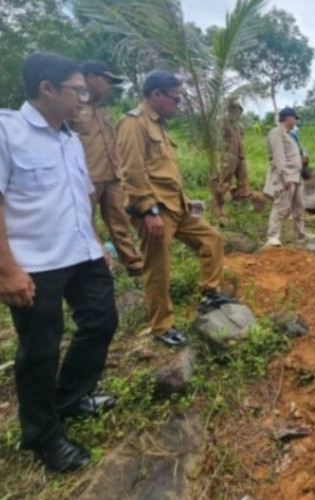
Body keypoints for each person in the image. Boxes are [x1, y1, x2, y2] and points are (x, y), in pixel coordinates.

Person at [0, 52, 118, 473]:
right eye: (78, 90)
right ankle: (43, 436)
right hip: (35, 263)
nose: (83, 98)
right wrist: (7, 269)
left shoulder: (69, 138)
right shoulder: (6, 131)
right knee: (39, 351)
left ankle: (69, 400)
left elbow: (77, 198)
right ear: (47, 88)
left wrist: (97, 243)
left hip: (81, 253)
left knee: (102, 321)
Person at [117, 70, 236, 348]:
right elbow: (132, 172)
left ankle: (211, 292)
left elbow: (163, 171)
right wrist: (148, 212)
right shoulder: (133, 123)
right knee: (158, 269)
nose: (178, 105)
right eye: (175, 99)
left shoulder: (159, 125)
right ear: (156, 95)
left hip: (176, 208)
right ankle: (161, 326)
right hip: (156, 211)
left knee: (211, 239)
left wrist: (187, 201)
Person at [72, 61, 143, 277]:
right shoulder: (72, 108)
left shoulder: (103, 111)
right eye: (106, 80)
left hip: (112, 176)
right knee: (84, 223)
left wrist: (120, 170)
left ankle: (134, 265)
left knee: (119, 220)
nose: (109, 86)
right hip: (87, 178)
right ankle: (95, 265)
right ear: (90, 78)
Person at [263, 107, 315, 247]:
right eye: (294, 118)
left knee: (299, 208)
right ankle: (273, 236)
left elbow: (291, 155)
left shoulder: (289, 135)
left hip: (297, 176)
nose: (295, 121)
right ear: (288, 118)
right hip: (286, 177)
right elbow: (279, 156)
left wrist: (302, 161)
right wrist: (284, 177)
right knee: (281, 206)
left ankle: (300, 234)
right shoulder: (276, 133)